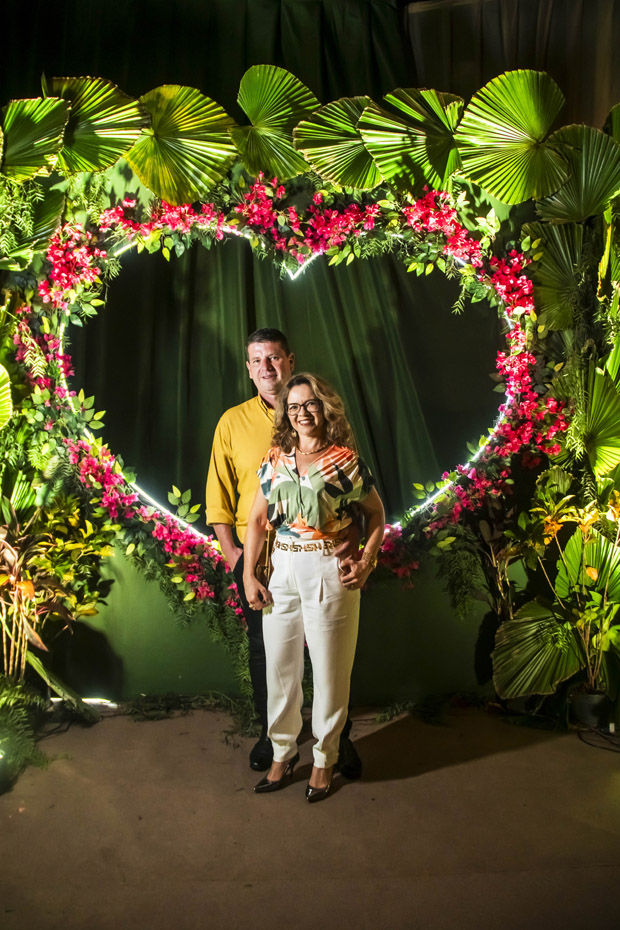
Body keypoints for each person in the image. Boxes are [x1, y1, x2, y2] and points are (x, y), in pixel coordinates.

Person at [206, 330, 362, 777]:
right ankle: (274, 739)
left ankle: (337, 742)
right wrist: (236, 557)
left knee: (331, 653)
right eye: (257, 360)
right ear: (248, 368)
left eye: (273, 358)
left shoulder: (325, 423)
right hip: (260, 558)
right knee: (268, 653)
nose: (266, 368)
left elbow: (352, 493)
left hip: (320, 555)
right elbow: (218, 495)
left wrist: (354, 540)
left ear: (290, 361)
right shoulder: (232, 422)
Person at [243, 373, 385, 802]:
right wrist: (250, 573)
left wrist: (366, 562)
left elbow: (377, 515)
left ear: (324, 408)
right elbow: (256, 521)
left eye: (310, 404)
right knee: (280, 669)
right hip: (282, 567)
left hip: (327, 567)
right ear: (286, 413)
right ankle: (282, 754)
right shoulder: (275, 459)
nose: (302, 413)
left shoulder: (345, 462)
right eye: (293, 406)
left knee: (329, 672)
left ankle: (325, 759)